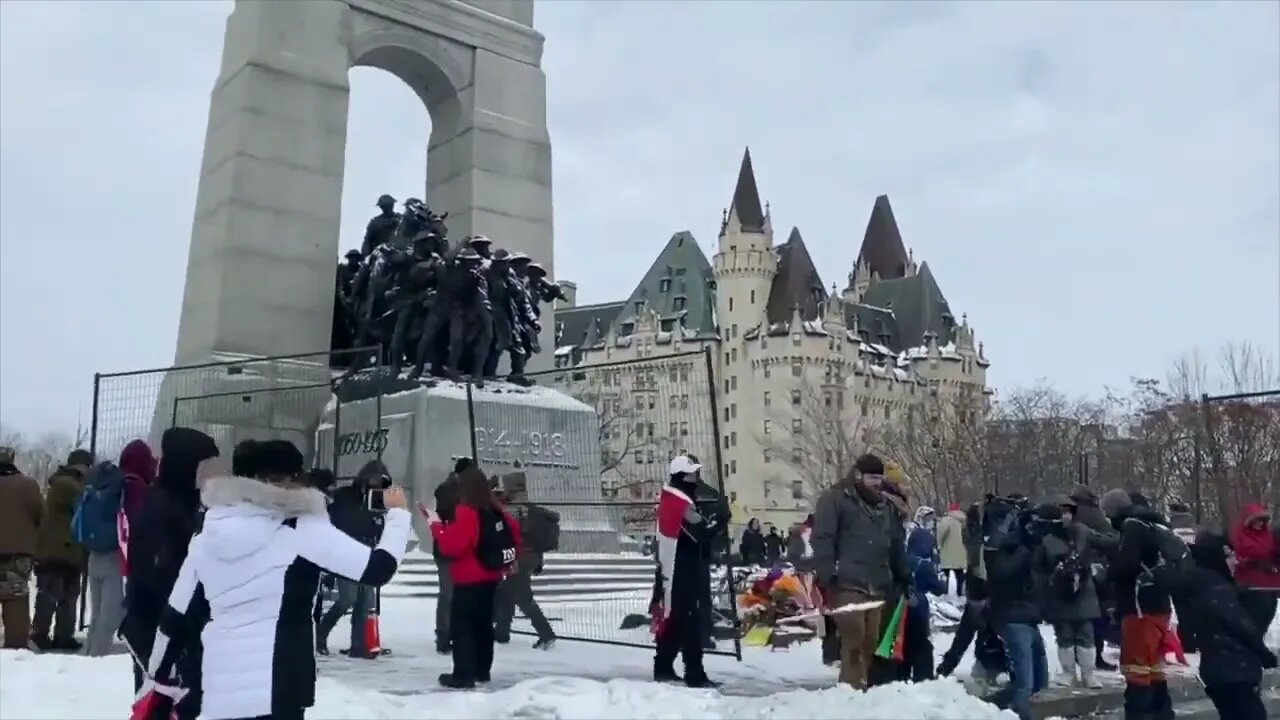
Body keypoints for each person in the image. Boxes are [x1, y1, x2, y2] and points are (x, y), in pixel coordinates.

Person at [143, 438, 411, 720]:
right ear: (290, 479)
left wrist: (157, 678)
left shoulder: (207, 534)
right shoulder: (298, 527)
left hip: (220, 691)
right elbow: (378, 569)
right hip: (280, 689)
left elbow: (174, 619)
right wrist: (398, 515)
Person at [121, 427, 219, 719]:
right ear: (187, 465)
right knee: (163, 709)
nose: (209, 475)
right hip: (160, 633)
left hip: (180, 633)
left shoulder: (184, 504)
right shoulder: (159, 509)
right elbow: (160, 579)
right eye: (205, 466)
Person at [810, 454, 909, 689]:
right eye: (872, 477)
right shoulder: (836, 499)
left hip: (877, 581)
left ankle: (861, 684)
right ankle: (850, 687)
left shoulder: (885, 506)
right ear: (858, 475)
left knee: (870, 641)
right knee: (854, 633)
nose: (877, 482)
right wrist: (827, 572)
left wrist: (904, 576)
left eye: (879, 478)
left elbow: (894, 544)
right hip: (846, 580)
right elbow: (822, 537)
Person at [423, 464, 520, 689]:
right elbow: (514, 532)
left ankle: (463, 675)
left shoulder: (466, 512)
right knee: (483, 624)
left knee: (463, 625)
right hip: (492, 575)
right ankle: (482, 670)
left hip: (469, 577)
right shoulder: (495, 509)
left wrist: (435, 525)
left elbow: (452, 547)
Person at [1098, 488, 1188, 720]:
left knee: (1136, 669)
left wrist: (1107, 572)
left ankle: (1138, 715)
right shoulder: (1153, 525)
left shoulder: (1132, 526)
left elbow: (1127, 564)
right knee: (1154, 669)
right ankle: (1162, 714)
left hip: (1139, 607)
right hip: (1159, 605)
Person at [1178, 530, 1277, 720]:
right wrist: (1264, 654)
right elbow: (1240, 624)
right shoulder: (1214, 587)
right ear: (1215, 556)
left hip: (1219, 670)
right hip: (1233, 669)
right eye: (1228, 555)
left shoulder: (1201, 584)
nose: (1235, 561)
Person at [651, 455, 720, 688]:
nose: (695, 479)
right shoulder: (681, 502)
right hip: (684, 569)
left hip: (675, 569)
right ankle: (694, 672)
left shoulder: (672, 498)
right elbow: (697, 534)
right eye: (691, 474)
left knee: (675, 619)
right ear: (681, 476)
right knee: (690, 621)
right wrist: (715, 524)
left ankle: (663, 667)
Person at [84, 442, 153, 656]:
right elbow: (138, 521)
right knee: (112, 611)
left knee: (97, 612)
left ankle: (89, 654)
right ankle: (97, 657)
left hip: (95, 552)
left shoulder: (106, 483)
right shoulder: (133, 486)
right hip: (117, 554)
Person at [984, 496, 1048, 720]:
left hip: (1030, 616)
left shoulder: (1033, 545)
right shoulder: (1003, 544)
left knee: (1039, 680)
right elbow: (1000, 573)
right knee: (1024, 682)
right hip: (1012, 616)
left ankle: (989, 708)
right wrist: (1023, 552)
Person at [315, 460, 385, 658]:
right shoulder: (346, 496)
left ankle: (359, 644)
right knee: (347, 599)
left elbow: (378, 524)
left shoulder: (376, 499)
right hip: (345, 551)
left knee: (364, 601)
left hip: (367, 551)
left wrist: (377, 525)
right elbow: (334, 517)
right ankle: (320, 634)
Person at [1033, 501, 1103, 689]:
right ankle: (1068, 672)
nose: (1065, 516)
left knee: (1086, 635)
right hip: (1059, 594)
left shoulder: (1084, 532)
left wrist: (1089, 565)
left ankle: (1089, 672)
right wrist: (1052, 575)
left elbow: (1102, 548)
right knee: (1065, 635)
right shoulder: (1046, 538)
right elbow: (1038, 568)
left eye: (1068, 512)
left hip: (1084, 592)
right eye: (1062, 512)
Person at [31, 448, 93, 652]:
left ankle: (63, 636)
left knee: (68, 596)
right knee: (51, 593)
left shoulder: (71, 484)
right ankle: (40, 635)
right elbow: (80, 499)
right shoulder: (65, 484)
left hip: (68, 551)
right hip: (56, 550)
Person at [493, 474, 558, 650]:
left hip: (519, 557)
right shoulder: (527, 505)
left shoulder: (514, 507)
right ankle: (501, 633)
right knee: (505, 593)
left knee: (524, 599)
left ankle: (547, 635)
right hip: (529, 556)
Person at [0, 445, 43, 649]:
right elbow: (40, 515)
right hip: (18, 554)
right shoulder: (28, 485)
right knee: (15, 599)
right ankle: (16, 647)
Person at [901, 522, 947, 682]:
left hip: (899, 609)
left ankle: (901, 676)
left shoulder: (902, 560)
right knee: (922, 646)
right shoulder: (925, 565)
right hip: (918, 611)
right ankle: (923, 679)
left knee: (903, 644)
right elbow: (939, 589)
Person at [432, 458, 467, 655]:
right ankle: (443, 636)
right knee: (448, 594)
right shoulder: (448, 490)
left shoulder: (461, 490)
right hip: (447, 550)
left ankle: (452, 633)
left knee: (456, 595)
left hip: (459, 549)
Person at [1230, 502, 1280, 638]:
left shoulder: (1269, 535)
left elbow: (1274, 552)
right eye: (1257, 520)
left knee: (1268, 614)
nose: (1260, 523)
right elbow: (1234, 556)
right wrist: (1251, 562)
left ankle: (1257, 641)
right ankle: (1251, 643)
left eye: (1262, 520)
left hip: (1271, 582)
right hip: (1250, 583)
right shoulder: (1240, 535)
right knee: (1255, 617)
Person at [937, 503, 967, 596]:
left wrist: (939, 544)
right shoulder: (964, 520)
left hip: (947, 549)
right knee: (960, 573)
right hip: (961, 550)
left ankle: (944, 591)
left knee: (945, 573)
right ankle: (959, 591)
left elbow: (941, 533)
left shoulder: (946, 520)